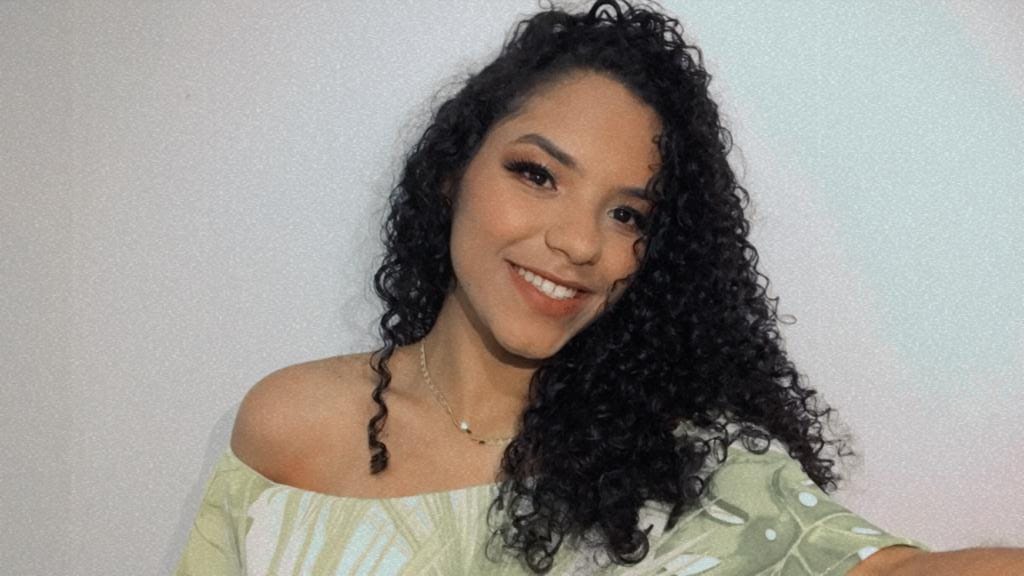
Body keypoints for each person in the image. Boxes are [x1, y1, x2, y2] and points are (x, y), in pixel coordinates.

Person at [176, 1, 1023, 574]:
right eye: (537, 174)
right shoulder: (289, 427)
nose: (580, 243)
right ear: (451, 172)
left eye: (627, 215)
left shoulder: (694, 465)